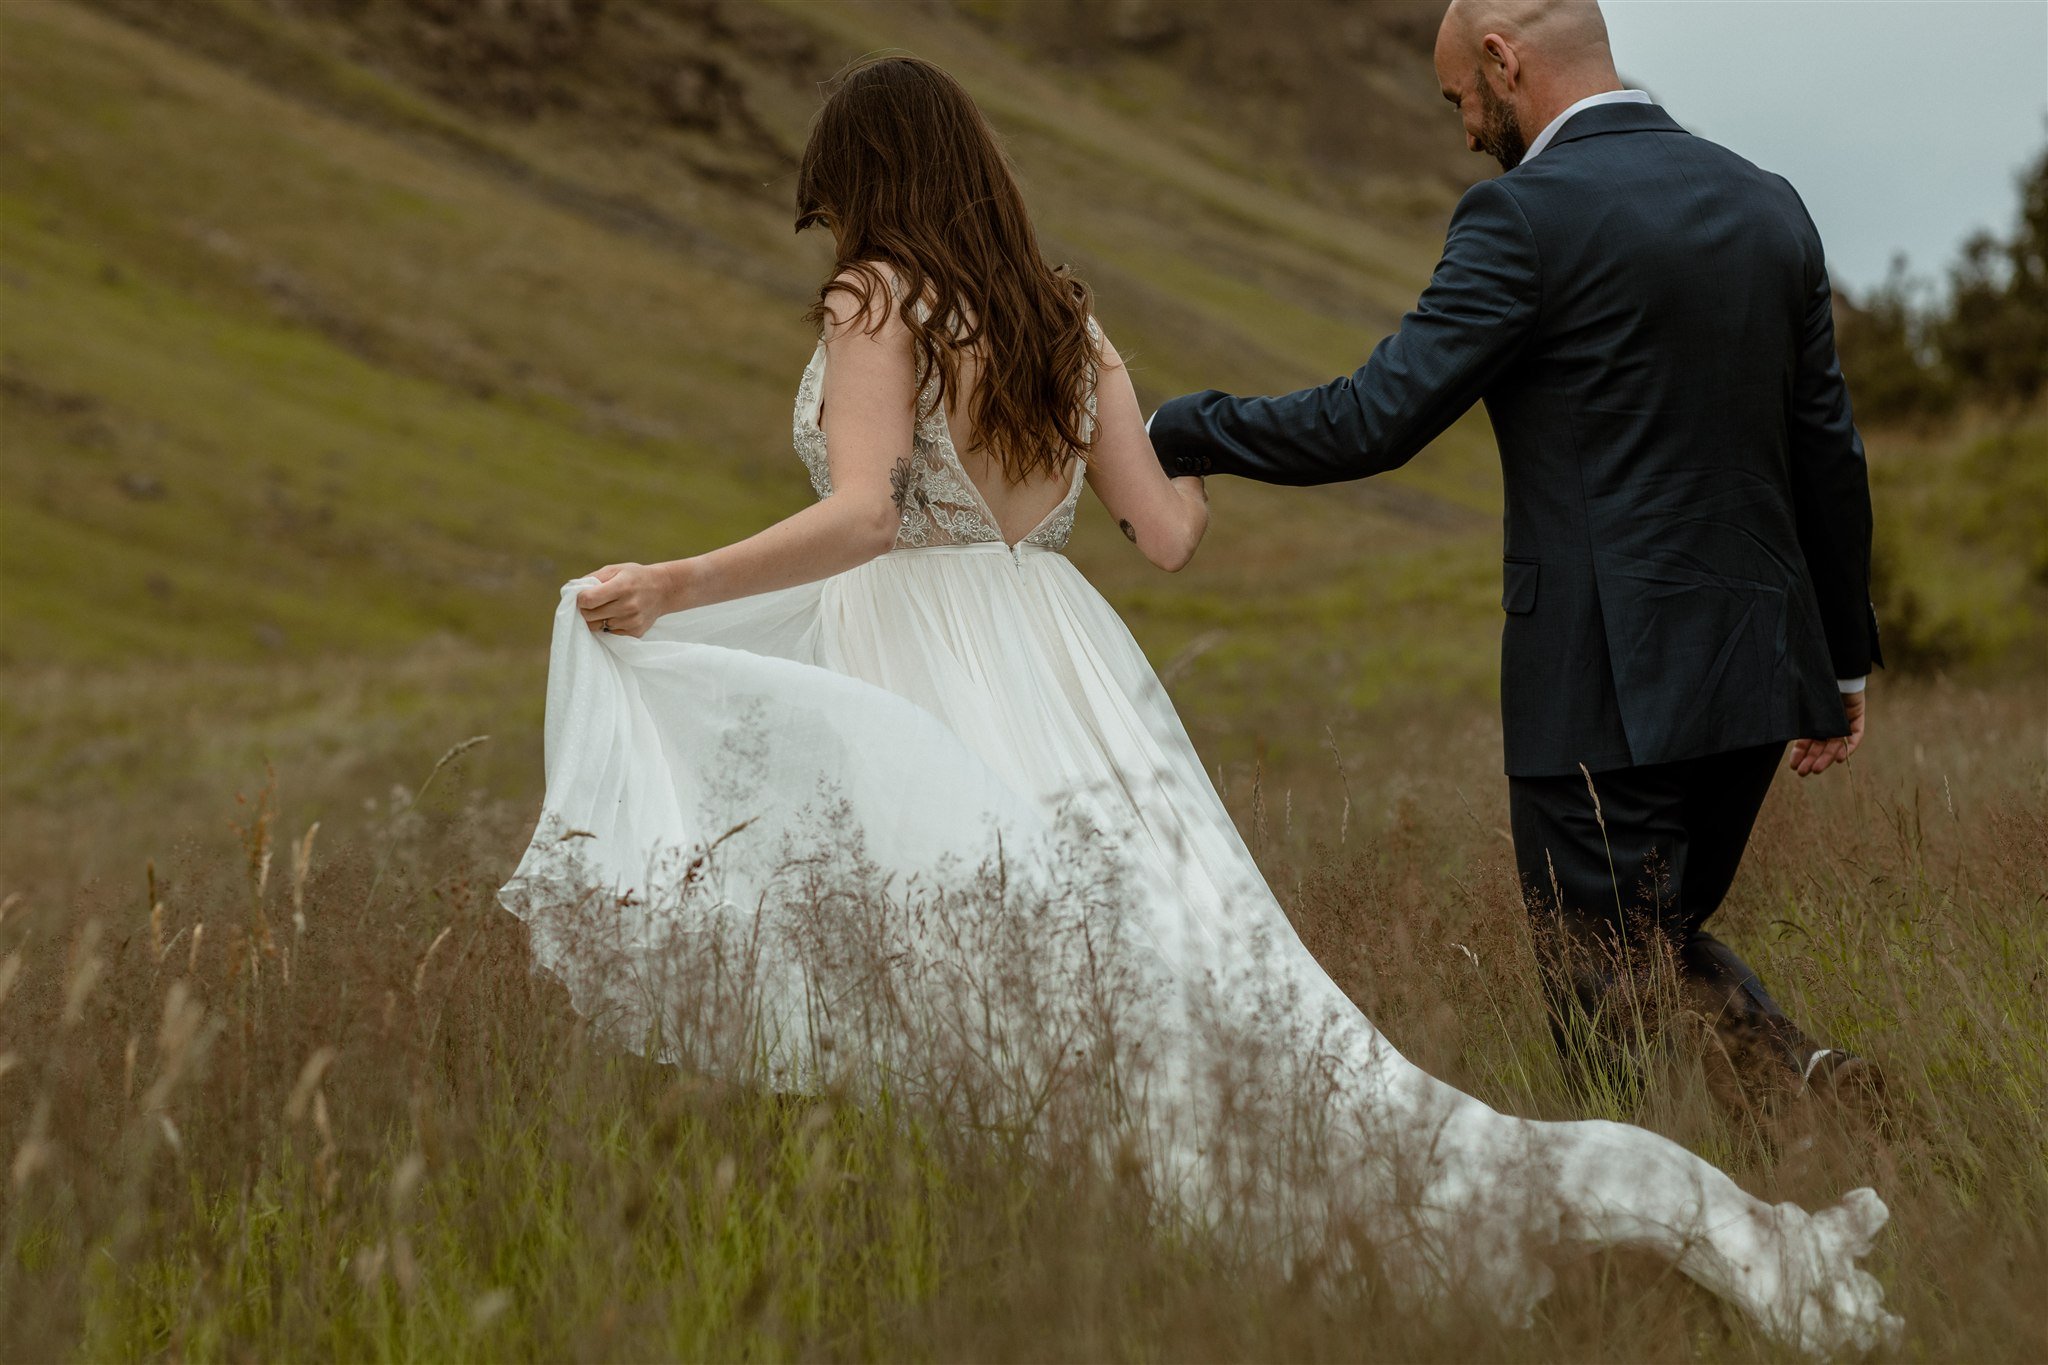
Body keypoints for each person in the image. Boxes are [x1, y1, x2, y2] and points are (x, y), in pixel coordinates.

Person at [501, 52, 1898, 1353]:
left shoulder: (878, 300)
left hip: (926, 658)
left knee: (966, 981)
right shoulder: (1065, 318)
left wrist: (675, 581)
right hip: (1069, 661)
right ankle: (1655, 1210)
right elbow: (1166, 535)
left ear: (867, 183)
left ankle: (1013, 1241)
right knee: (1176, 983)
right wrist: (1177, 453)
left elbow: (867, 517)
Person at [1146, 0, 1884, 1112]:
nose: (1462, 130)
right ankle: (1816, 1102)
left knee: (1602, 1006)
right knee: (1650, 949)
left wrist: (1180, 430)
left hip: (1601, 682)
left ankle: (1733, 1170)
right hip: (1752, 675)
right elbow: (1826, 446)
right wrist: (1837, 664)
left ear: (1502, 58)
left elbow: (1371, 421)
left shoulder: (1522, 219)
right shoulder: (1764, 203)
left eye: (1458, 99)